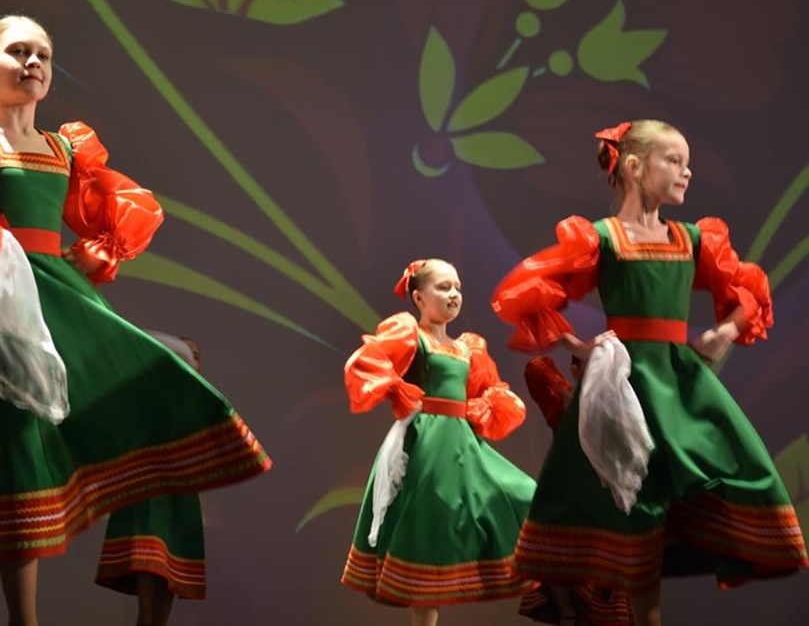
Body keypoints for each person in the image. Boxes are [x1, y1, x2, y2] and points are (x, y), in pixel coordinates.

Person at [0, 15, 271, 626]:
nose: (33, 63)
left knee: (30, 452)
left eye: (43, 55)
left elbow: (124, 208)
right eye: (18, 51)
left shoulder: (65, 149)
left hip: (47, 299)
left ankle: (27, 617)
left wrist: (99, 249)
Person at [492, 120, 808, 625]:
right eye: (674, 161)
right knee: (629, 503)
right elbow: (528, 293)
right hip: (624, 389)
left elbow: (749, 294)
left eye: (688, 163)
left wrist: (724, 333)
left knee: (728, 475)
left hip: (679, 386)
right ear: (635, 167)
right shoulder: (602, 238)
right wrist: (580, 346)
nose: (687, 172)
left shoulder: (692, 239)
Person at [340, 258, 536, 626]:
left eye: (458, 287)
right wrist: (398, 390)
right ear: (418, 297)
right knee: (427, 529)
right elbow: (370, 360)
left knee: (524, 495)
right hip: (428, 445)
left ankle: (561, 599)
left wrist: (484, 405)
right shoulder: (412, 335)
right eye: (443, 287)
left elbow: (489, 388)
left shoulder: (468, 348)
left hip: (461, 444)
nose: (453, 294)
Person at [96, 332, 206, 626]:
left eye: (196, 356)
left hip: (180, 492)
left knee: (169, 566)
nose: (191, 359)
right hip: (149, 487)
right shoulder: (151, 394)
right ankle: (145, 618)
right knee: (150, 559)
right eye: (186, 353)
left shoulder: (198, 400)